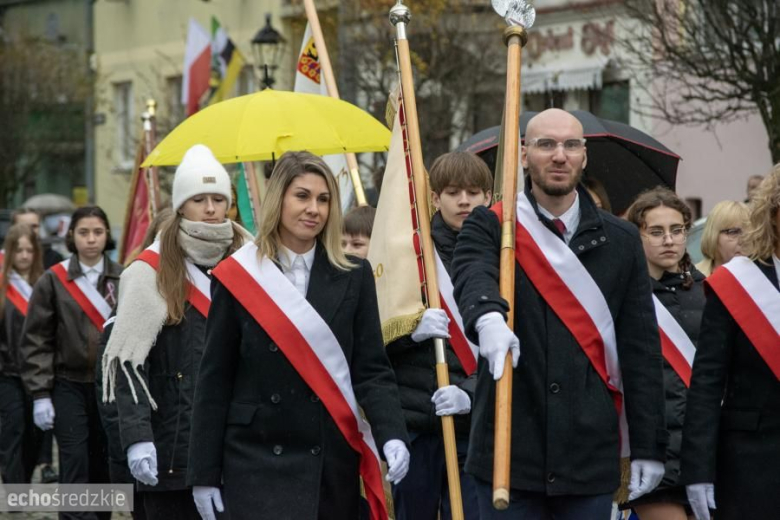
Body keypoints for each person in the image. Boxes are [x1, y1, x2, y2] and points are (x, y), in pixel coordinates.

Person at [451, 108, 668, 519]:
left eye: (570, 145)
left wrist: (648, 446)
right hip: (509, 450)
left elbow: (641, 349)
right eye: (546, 144)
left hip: (588, 454)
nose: (559, 155)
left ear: (584, 156)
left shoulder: (620, 240)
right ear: (523, 154)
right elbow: (473, 275)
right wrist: (488, 319)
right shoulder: (492, 227)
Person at [187, 151, 410, 520]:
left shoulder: (354, 274)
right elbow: (215, 380)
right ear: (279, 200)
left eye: (324, 199)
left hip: (327, 458)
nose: (314, 209)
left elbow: (371, 369)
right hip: (255, 457)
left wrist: (392, 434)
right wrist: (204, 474)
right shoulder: (237, 276)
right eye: (302, 196)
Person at [101, 145, 252, 520]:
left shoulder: (254, 259)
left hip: (241, 443)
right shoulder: (146, 272)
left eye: (219, 198)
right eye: (199, 198)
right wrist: (137, 439)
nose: (211, 208)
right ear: (181, 206)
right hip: (172, 441)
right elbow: (128, 366)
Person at [387, 151, 489, 520]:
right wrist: (409, 334)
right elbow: (372, 343)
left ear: (488, 197)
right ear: (434, 198)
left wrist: (471, 395)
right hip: (416, 424)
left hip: (477, 427)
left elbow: (514, 345)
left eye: (474, 192)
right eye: (452, 192)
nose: (464, 201)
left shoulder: (503, 257)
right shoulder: (409, 256)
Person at [682, 165, 780, 520]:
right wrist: (698, 471)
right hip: (751, 465)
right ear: (772, 215)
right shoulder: (738, 283)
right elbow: (707, 383)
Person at [21, 205, 122, 520]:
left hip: (110, 387)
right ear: (72, 236)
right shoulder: (53, 280)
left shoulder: (124, 276)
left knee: (103, 463)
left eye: (97, 232)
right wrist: (40, 393)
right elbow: (36, 339)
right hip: (68, 385)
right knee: (75, 462)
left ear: (107, 235)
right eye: (83, 232)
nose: (91, 239)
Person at [624, 188, 706, 520]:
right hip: (653, 451)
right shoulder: (623, 296)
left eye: (677, 230)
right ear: (636, 236)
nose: (668, 240)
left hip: (704, 451)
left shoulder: (708, 292)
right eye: (656, 232)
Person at [12, 208, 62, 483]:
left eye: (35, 226)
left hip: (43, 361)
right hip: (9, 366)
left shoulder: (52, 261)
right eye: (25, 226)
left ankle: (44, 464)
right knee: (15, 428)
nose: (32, 231)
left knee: (43, 423)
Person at [0, 224, 45, 484]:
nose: (24, 256)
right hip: (7, 372)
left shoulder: (44, 284)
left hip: (37, 374)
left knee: (34, 433)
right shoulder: (4, 287)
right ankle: (14, 486)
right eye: (18, 250)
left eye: (29, 250)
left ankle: (24, 479)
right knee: (13, 427)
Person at [695, 201, 749, 276]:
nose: (743, 240)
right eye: (733, 232)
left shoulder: (763, 276)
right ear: (713, 235)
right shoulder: (692, 278)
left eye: (749, 233)